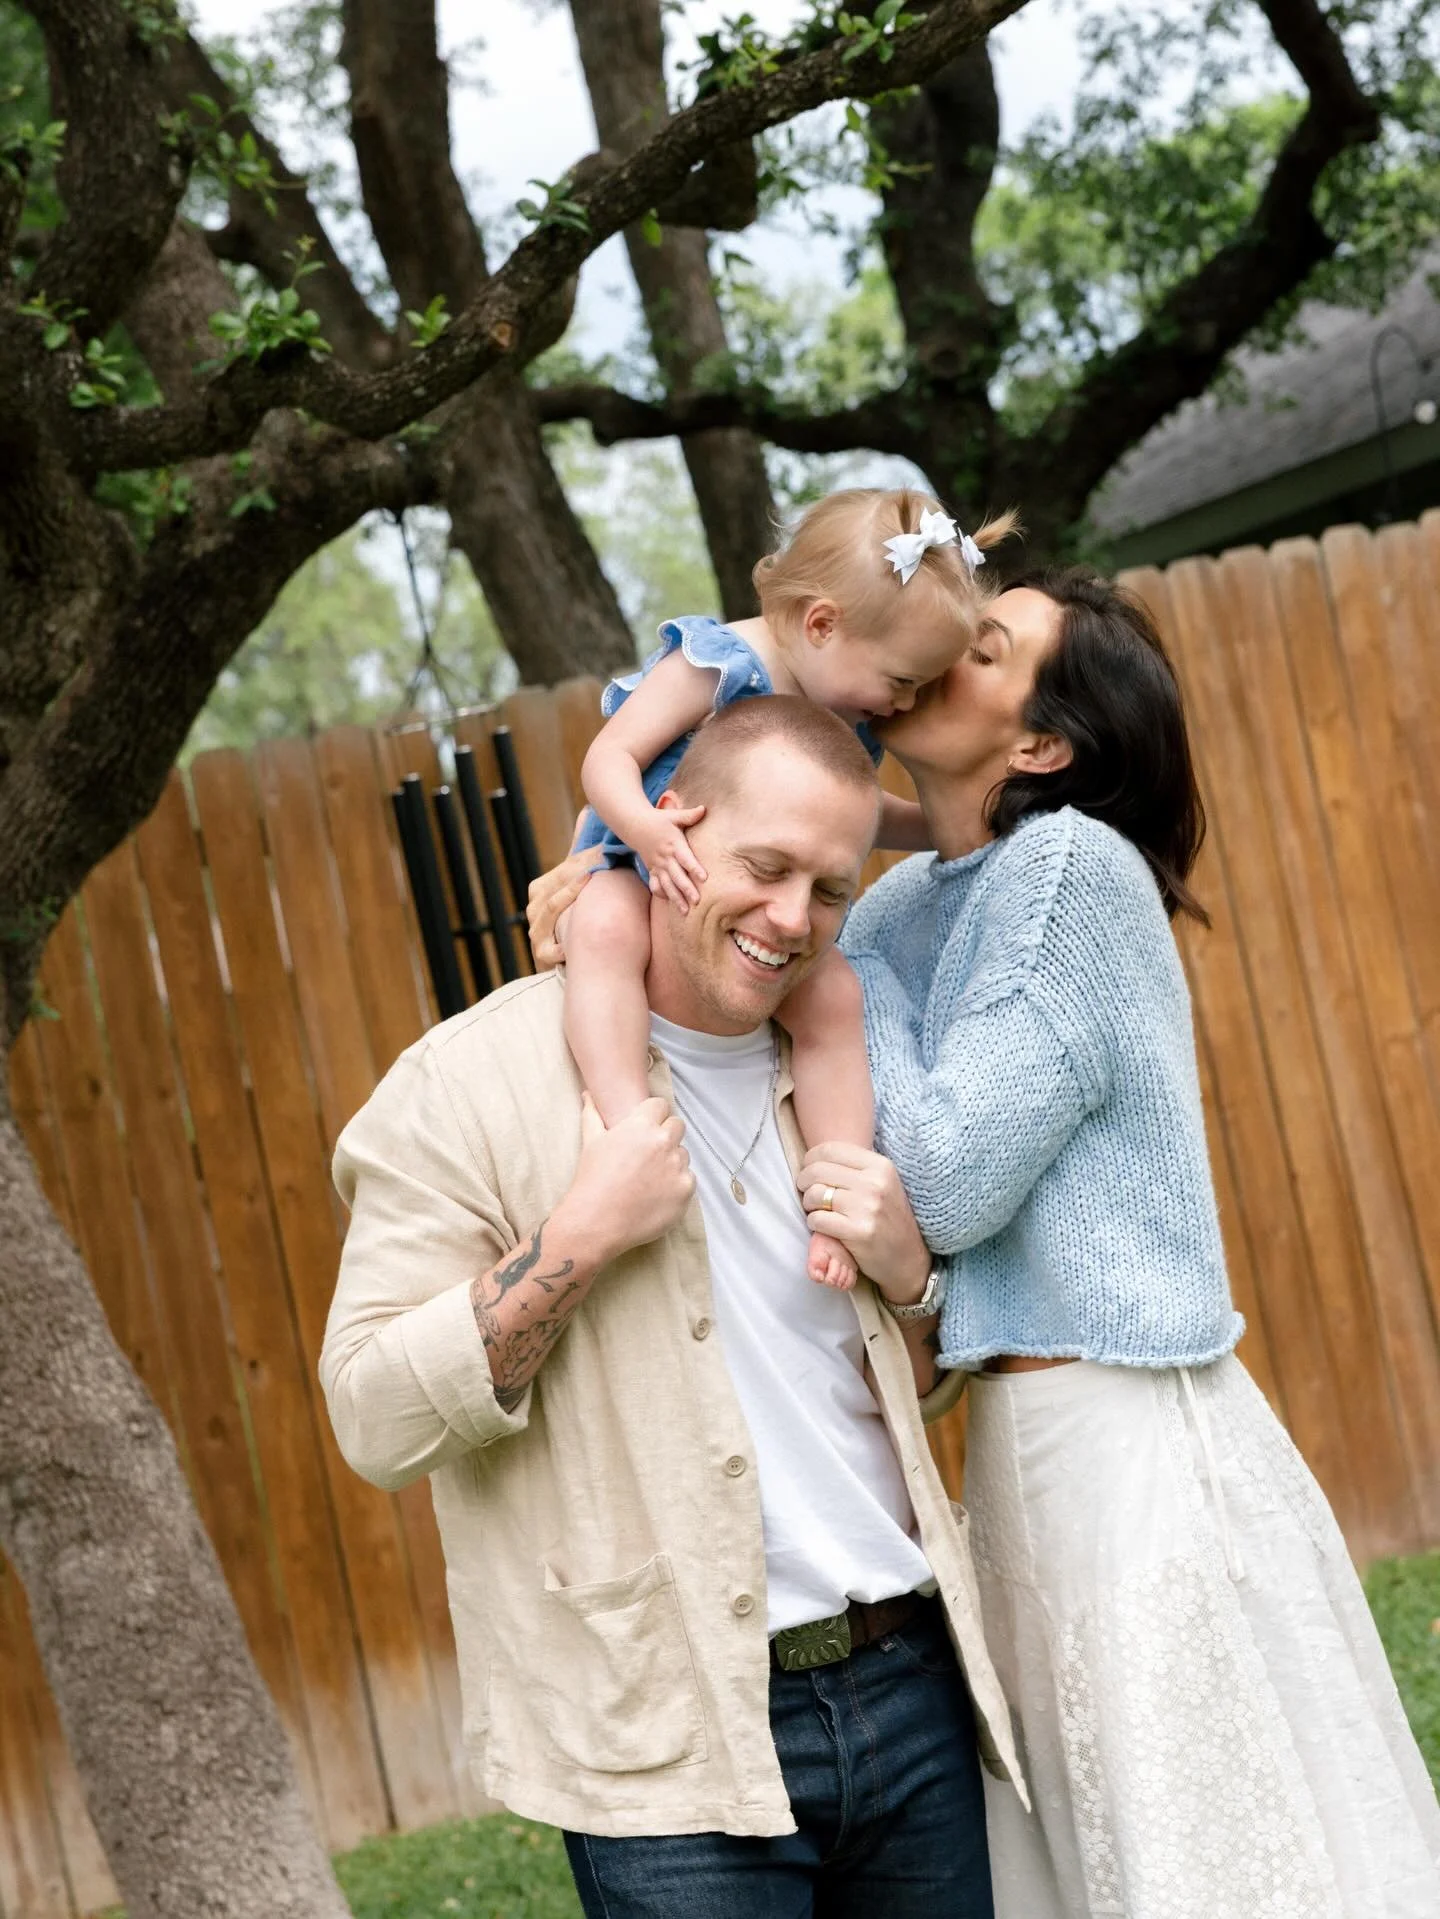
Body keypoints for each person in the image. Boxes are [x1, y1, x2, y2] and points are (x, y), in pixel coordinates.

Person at [533, 569, 1440, 1917]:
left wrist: (839, 975)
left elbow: (944, 1176)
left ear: (1041, 744)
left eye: (985, 647)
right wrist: (616, 886)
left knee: (1192, 1844)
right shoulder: (897, 902)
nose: (937, 647)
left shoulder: (1069, 870)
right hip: (1012, 1458)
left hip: (1132, 1443)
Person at [321, 695, 1025, 1919]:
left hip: (909, 1686)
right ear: (670, 828)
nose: (791, 919)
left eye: (829, 888)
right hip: (667, 1732)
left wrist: (913, 1276)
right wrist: (581, 1232)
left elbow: (896, 1386)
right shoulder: (463, 1086)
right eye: (763, 867)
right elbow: (375, 1419)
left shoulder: (844, 1069)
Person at [563, 487, 1013, 1291]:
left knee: (835, 997)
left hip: (725, 898)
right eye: (902, 681)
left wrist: (965, 827)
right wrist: (646, 831)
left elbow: (863, 817)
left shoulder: (844, 706)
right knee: (601, 931)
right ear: (821, 624)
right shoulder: (717, 663)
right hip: (642, 861)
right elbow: (607, 760)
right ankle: (630, 1123)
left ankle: (837, 1187)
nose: (904, 705)